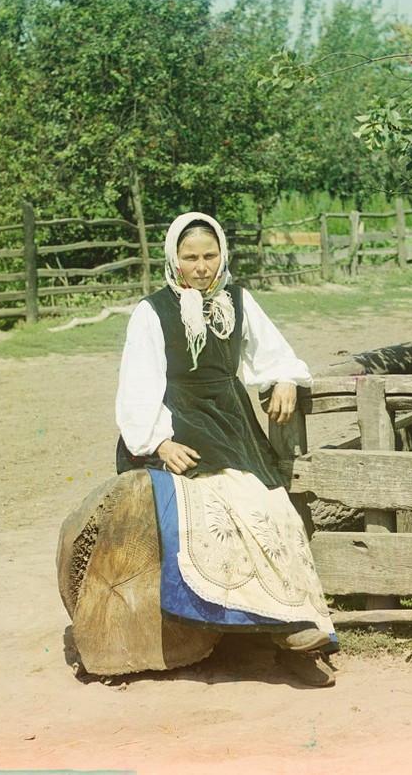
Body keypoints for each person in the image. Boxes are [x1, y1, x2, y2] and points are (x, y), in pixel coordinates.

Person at [115, 211, 337, 687]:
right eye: (190, 257)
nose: (201, 267)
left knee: (272, 507)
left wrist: (284, 379)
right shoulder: (152, 311)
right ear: (173, 258)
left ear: (222, 255)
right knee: (223, 508)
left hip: (230, 421)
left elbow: (273, 352)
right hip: (178, 422)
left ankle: (296, 626)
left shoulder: (237, 300)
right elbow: (138, 384)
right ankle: (273, 626)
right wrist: (159, 442)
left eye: (210, 256)